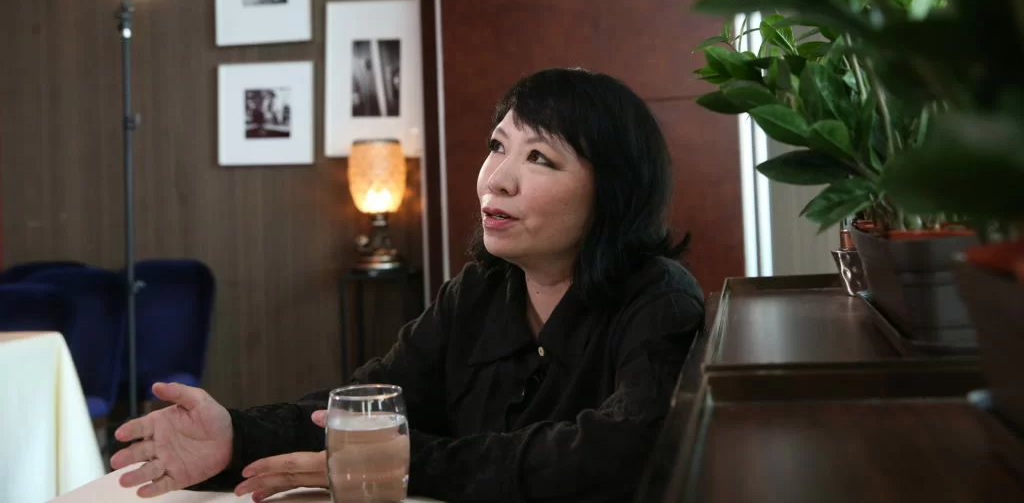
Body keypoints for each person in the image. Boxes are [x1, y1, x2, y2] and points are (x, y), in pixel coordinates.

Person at [112, 67, 705, 503]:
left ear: (613, 192)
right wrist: (234, 435)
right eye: (498, 147)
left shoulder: (659, 298)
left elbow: (618, 454)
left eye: (540, 159)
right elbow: (366, 408)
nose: (497, 180)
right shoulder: (478, 292)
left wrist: (406, 463)